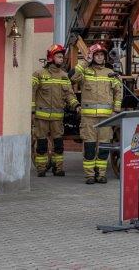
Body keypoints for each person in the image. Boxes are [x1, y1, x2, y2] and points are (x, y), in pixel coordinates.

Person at [73, 43, 122, 184]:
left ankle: (101, 174)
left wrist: (116, 110)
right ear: (92, 56)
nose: (100, 57)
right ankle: (89, 175)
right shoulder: (85, 71)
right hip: (88, 118)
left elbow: (118, 92)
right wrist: (84, 62)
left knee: (103, 147)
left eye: (102, 55)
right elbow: (73, 77)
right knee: (89, 147)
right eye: (97, 55)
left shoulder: (110, 73)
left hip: (106, 118)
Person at [31, 43, 79, 177]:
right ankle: (41, 169)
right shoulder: (38, 74)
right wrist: (32, 111)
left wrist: (76, 105)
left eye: (62, 57)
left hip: (57, 118)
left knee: (58, 145)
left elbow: (69, 94)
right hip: (41, 117)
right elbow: (31, 93)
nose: (61, 59)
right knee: (41, 144)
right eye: (58, 56)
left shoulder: (64, 76)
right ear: (51, 58)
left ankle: (58, 169)